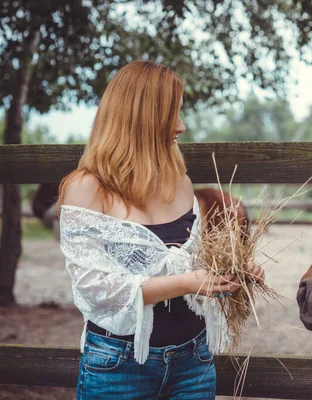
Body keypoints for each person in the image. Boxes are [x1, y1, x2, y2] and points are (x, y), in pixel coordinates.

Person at [57, 60, 265, 399]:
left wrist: (232, 275)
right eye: (173, 114)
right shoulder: (86, 188)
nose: (181, 126)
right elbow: (94, 288)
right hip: (119, 366)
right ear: (142, 118)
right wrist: (184, 283)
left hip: (193, 361)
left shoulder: (180, 184)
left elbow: (197, 269)